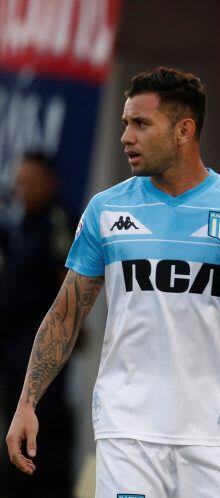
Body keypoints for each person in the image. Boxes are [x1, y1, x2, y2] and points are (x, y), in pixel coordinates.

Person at [5, 67, 220, 498]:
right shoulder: (105, 210)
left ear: (184, 130)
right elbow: (64, 316)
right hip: (128, 430)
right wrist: (27, 401)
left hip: (218, 435)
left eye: (141, 124)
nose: (127, 136)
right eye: (125, 123)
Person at [0, 152, 74, 498]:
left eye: (30, 182)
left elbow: (68, 286)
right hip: (12, 350)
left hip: (42, 350)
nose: (21, 189)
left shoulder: (57, 222)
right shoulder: (19, 224)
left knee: (45, 436)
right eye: (20, 181)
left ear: (49, 182)